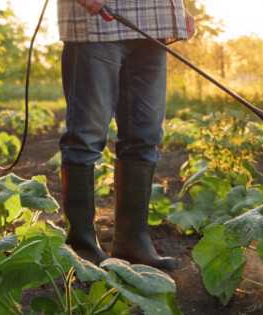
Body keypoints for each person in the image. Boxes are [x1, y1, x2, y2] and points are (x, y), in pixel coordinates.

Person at [58, 0, 195, 271]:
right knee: (86, 137)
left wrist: (178, 10)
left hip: (153, 23)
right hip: (96, 22)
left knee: (144, 137)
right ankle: (81, 247)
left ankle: (133, 242)